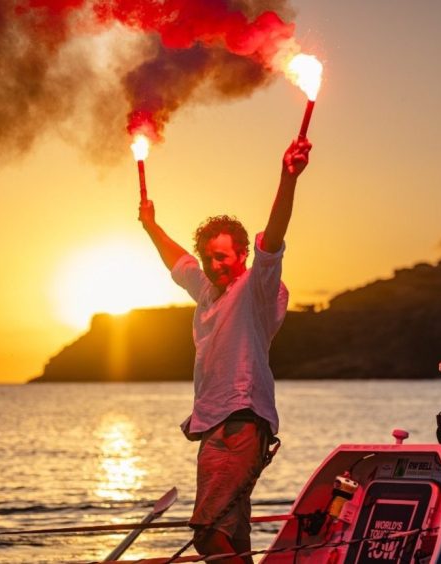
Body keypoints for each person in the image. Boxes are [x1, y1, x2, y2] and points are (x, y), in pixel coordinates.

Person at [138, 138, 312, 563]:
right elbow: (179, 263)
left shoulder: (256, 287)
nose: (214, 266)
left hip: (241, 421)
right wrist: (150, 227)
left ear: (242, 256)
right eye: (209, 258)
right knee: (232, 533)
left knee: (207, 531)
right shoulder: (206, 291)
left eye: (222, 258)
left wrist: (288, 178)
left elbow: (275, 235)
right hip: (214, 425)